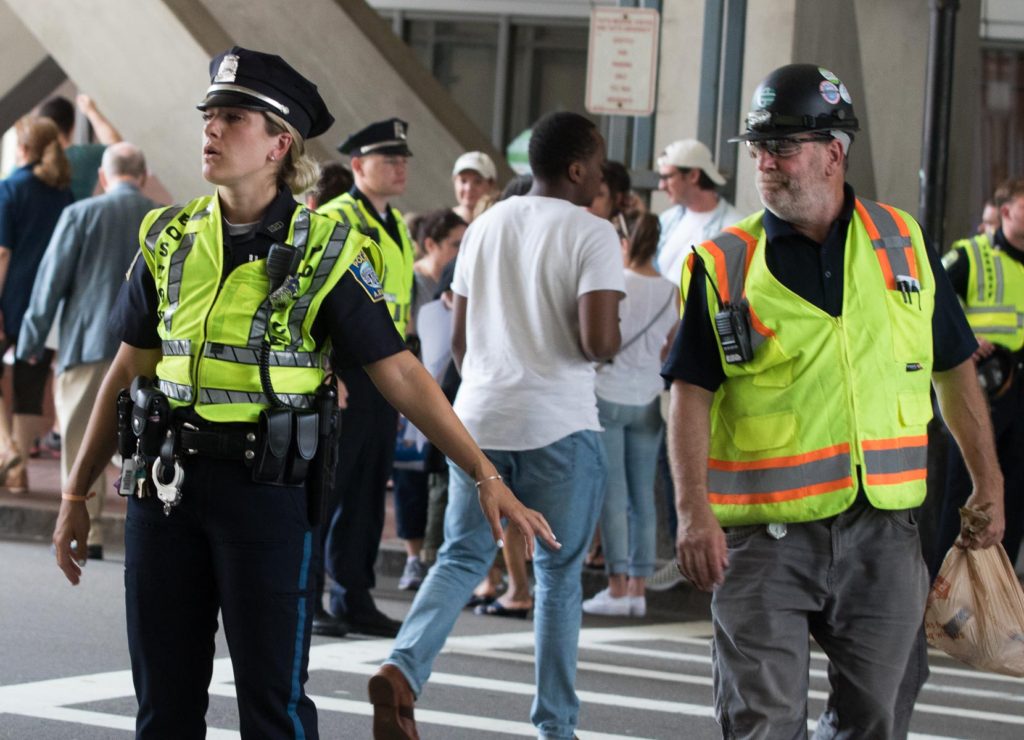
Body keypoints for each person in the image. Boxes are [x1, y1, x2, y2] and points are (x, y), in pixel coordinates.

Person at [51, 46, 556, 740]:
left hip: (265, 495)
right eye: (209, 116)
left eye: (232, 118)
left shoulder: (326, 250)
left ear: (279, 143)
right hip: (161, 491)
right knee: (162, 708)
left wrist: (485, 473)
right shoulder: (166, 237)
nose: (212, 130)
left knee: (273, 706)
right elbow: (127, 370)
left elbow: (402, 372)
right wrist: (75, 494)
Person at [664, 63, 1005, 738]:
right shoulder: (724, 262)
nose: (766, 162)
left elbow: (954, 371)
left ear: (833, 153)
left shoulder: (902, 242)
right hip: (762, 541)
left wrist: (987, 479)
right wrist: (692, 512)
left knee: (877, 717)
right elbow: (690, 394)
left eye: (782, 148)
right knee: (762, 721)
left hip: (884, 535)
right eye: (759, 148)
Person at [368, 110, 623, 740]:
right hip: (561, 425)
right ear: (576, 167)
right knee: (558, 577)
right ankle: (554, 727)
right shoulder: (593, 235)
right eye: (596, 164)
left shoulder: (483, 228)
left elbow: (457, 345)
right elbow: (596, 343)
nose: (601, 176)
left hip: (478, 423)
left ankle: (403, 668)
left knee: (459, 557)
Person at [17, 142, 156, 559]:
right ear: (144, 176)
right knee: (145, 441)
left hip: (88, 345)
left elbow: (49, 284)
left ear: (101, 176)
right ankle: (144, 529)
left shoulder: (80, 214)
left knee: (80, 440)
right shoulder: (164, 221)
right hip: (150, 354)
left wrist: (31, 340)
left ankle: (88, 533)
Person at [313, 117, 418, 638]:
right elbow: (311, 301)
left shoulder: (395, 223)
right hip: (347, 369)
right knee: (326, 489)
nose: (400, 168)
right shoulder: (336, 217)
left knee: (367, 493)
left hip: (385, 369)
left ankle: (353, 595)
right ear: (358, 166)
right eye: (388, 160)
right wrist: (328, 368)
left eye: (403, 160)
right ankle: (307, 598)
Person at [583, 212, 677, 618]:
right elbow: (669, 346)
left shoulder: (617, 284)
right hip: (649, 399)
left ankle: (618, 586)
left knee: (614, 495)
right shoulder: (673, 291)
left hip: (608, 394)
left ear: (625, 241)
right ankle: (640, 588)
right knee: (644, 497)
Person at [931, 177, 1024, 578]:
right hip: (980, 390)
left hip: (1022, 392)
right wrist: (966, 339)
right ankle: (942, 594)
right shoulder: (972, 256)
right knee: (963, 493)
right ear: (1006, 212)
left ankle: (998, 600)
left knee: (1016, 498)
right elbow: (931, 306)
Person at [0, 116, 74, 492]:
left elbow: (1, 253)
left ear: (23, 148)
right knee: (29, 390)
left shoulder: (10, 188)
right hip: (49, 307)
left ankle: (8, 449)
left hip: (10, 298)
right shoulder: (64, 194)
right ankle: (18, 471)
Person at [395, 208, 467, 590]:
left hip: (447, 389)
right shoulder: (412, 280)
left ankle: (431, 554)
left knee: (439, 474)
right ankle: (412, 557)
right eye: (455, 244)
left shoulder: (464, 280)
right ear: (431, 244)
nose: (461, 251)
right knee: (408, 475)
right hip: (410, 387)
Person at [653, 138, 742, 283]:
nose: (661, 186)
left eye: (667, 177)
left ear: (693, 175)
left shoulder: (733, 227)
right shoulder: (667, 219)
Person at [38, 94, 123, 201]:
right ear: (73, 126)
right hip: (78, 216)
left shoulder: (31, 162)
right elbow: (118, 148)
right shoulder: (85, 156)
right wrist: (91, 110)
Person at [451, 150, 498, 224]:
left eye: (477, 182)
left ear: (491, 185)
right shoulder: (440, 224)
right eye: (463, 181)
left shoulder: (498, 222)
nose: (468, 188)